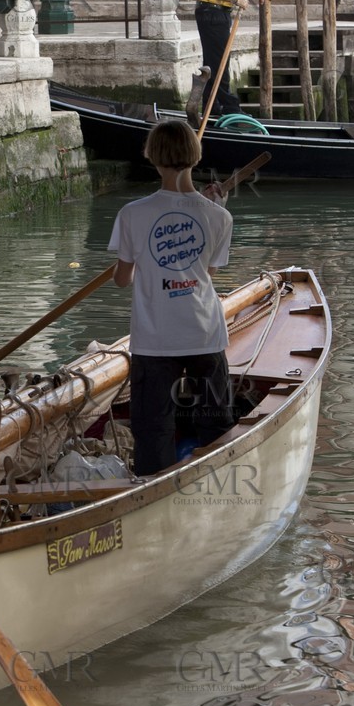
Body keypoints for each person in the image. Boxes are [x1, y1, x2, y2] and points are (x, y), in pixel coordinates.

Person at [107, 120, 234, 477]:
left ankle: (151, 491)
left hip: (154, 338)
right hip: (203, 330)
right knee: (215, 423)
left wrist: (132, 261)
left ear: (152, 156)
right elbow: (206, 274)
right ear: (195, 156)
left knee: (152, 429)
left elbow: (121, 280)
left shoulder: (132, 214)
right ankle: (220, 482)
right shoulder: (219, 215)